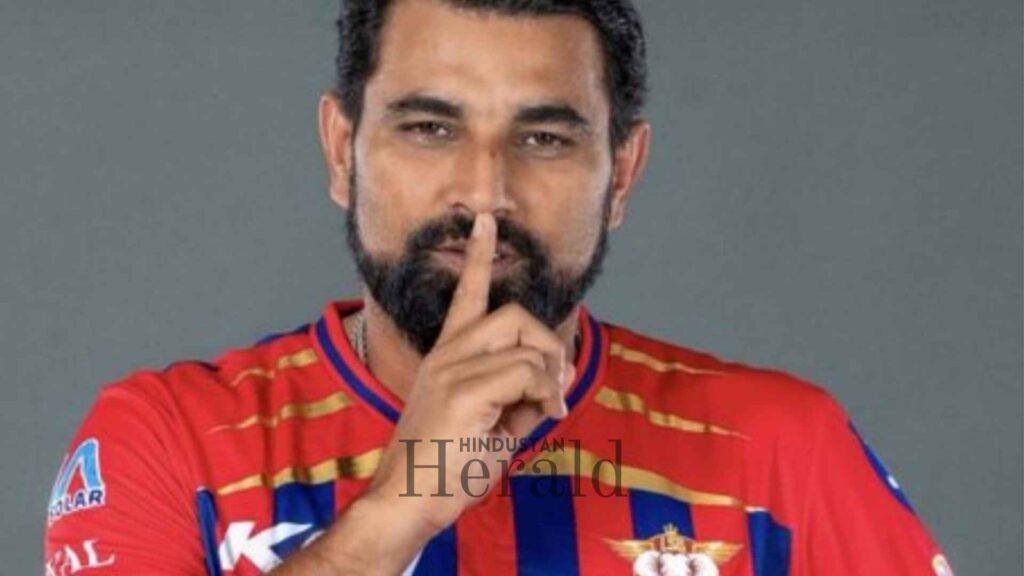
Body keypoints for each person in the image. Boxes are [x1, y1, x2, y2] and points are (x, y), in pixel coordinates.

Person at [44, 1, 954, 575]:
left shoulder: (780, 450)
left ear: (622, 174)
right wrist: (402, 506)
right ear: (341, 150)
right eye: (430, 128)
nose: (485, 193)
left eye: (545, 139)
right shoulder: (165, 440)